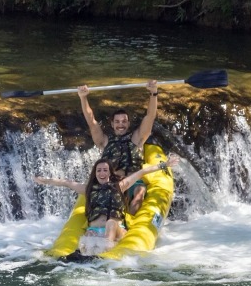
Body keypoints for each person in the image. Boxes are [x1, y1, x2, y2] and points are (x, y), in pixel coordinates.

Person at [34, 156, 177, 256]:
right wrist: (43, 181)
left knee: (110, 223)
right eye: (99, 170)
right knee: (88, 235)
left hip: (116, 230)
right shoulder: (88, 189)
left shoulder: (120, 186)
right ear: (95, 173)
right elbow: (65, 182)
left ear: (110, 172)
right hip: (94, 230)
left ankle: (106, 255)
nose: (102, 173)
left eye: (105, 170)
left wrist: (165, 165)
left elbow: (141, 172)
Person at [78, 79, 159, 215]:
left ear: (128, 123)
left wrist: (154, 93)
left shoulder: (137, 138)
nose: (120, 124)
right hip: (113, 183)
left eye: (124, 121)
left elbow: (150, 117)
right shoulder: (104, 141)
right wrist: (83, 97)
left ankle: (129, 224)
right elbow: (91, 122)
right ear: (112, 124)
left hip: (134, 181)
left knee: (139, 194)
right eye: (117, 121)